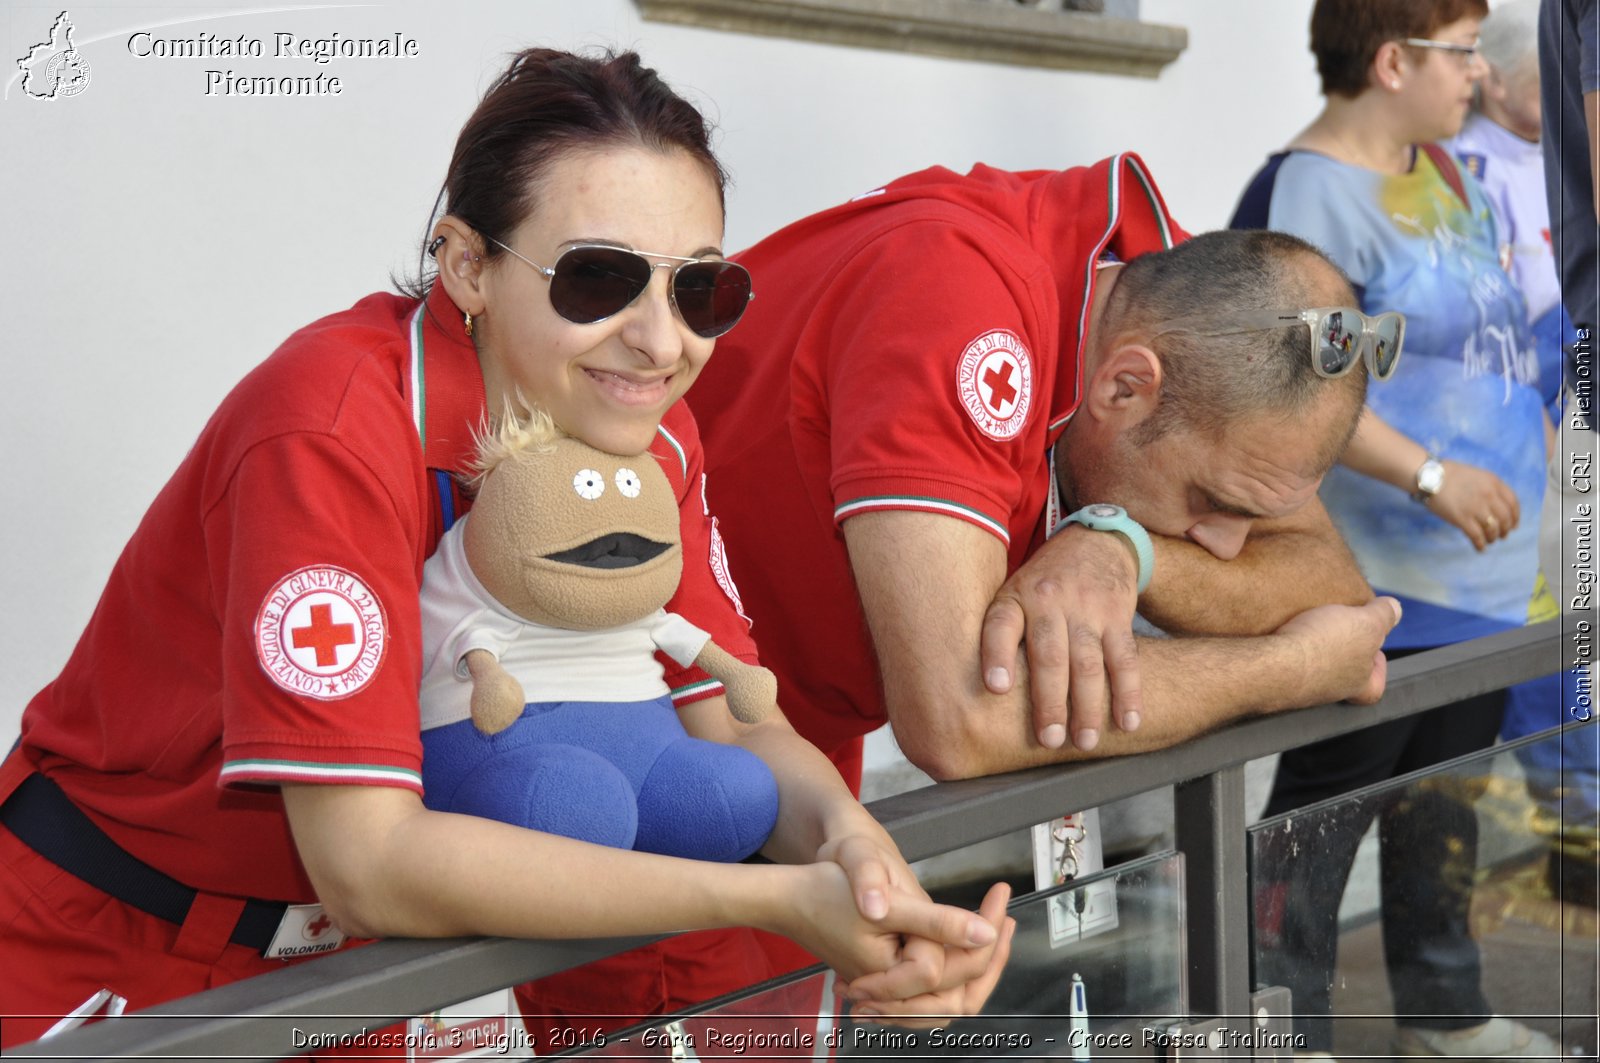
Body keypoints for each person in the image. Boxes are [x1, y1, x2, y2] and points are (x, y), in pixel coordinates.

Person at [0, 48, 1012, 1052]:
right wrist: (777, 899)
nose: (661, 344)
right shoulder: (331, 428)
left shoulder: (646, 431)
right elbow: (369, 858)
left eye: (699, 290)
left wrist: (867, 870)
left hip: (352, 968)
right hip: (112, 952)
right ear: (468, 265)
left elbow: (734, 730)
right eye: (599, 279)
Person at [687, 151, 1403, 801]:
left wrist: (1123, 546)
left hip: (796, 751)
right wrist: (1291, 669)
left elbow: (1333, 586)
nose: (1225, 544)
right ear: (1125, 388)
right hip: (663, 736)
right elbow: (962, 719)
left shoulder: (1174, 297)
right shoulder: (950, 298)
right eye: (1208, 502)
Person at [1230, 0, 1560, 1057]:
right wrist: (1431, 475)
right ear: (1389, 60)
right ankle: (1290, 1029)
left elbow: (1480, 334)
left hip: (1482, 583)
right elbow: (1302, 386)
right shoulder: (1305, 198)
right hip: (1373, 579)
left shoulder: (1448, 173)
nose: (1476, 75)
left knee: (1442, 808)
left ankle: (1443, 1013)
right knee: (1316, 827)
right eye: (1461, 54)